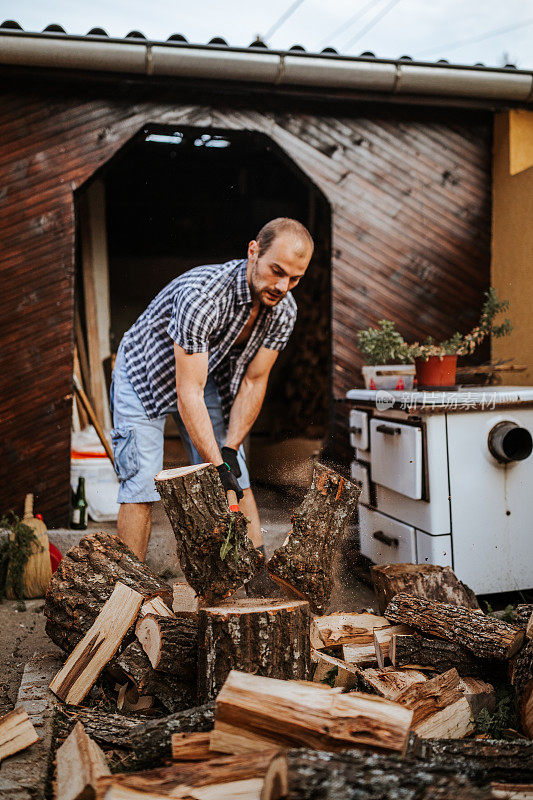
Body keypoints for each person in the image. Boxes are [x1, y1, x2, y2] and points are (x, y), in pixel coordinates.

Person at [110, 217, 314, 560]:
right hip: (142, 375)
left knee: (236, 473)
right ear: (253, 251)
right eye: (276, 270)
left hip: (200, 377)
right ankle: (129, 588)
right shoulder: (202, 295)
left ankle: (255, 573)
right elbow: (186, 390)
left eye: (294, 278)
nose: (282, 285)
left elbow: (254, 380)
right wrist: (215, 465)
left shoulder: (284, 311)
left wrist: (229, 451)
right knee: (142, 485)